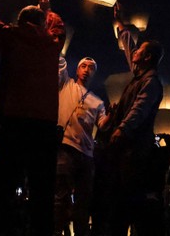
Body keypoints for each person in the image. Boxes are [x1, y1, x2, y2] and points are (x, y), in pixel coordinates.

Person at [0, 0, 64, 236]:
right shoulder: (52, 42)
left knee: (4, 186)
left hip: (14, 120)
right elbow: (59, 28)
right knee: (42, 190)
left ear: (20, 20)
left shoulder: (11, 36)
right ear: (43, 23)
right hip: (45, 124)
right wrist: (49, 11)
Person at [99, 3, 164, 236]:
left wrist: (122, 129)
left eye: (140, 51)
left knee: (127, 197)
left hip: (134, 149)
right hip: (127, 148)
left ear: (146, 57)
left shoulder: (150, 82)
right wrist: (120, 24)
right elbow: (130, 49)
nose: (133, 52)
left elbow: (140, 108)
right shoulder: (140, 77)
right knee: (121, 196)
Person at [54, 55, 107, 236]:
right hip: (65, 148)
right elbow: (59, 64)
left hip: (86, 154)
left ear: (94, 73)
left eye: (91, 67)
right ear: (77, 70)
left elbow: (103, 124)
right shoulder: (66, 85)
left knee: (83, 203)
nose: (86, 70)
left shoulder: (98, 102)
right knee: (60, 197)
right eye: (83, 66)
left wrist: (116, 115)